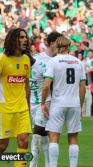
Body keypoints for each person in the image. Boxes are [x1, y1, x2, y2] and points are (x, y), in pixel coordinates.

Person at [41, 36, 86, 167]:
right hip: (74, 104)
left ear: (57, 46)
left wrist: (43, 103)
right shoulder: (78, 62)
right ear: (69, 46)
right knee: (73, 138)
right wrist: (80, 106)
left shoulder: (53, 61)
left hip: (58, 103)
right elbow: (82, 88)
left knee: (54, 137)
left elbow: (46, 86)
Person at [29, 31, 62, 167]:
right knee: (43, 137)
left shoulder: (60, 60)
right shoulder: (37, 58)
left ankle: (33, 165)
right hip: (32, 103)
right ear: (50, 43)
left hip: (47, 103)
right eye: (58, 43)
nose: (61, 46)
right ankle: (49, 164)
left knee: (37, 135)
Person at [0, 28, 32, 167]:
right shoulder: (2, 59)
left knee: (24, 140)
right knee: (2, 145)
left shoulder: (26, 60)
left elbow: (26, 85)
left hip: (22, 108)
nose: (25, 40)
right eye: (21, 37)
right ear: (13, 40)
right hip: (5, 109)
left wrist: (28, 107)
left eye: (25, 37)